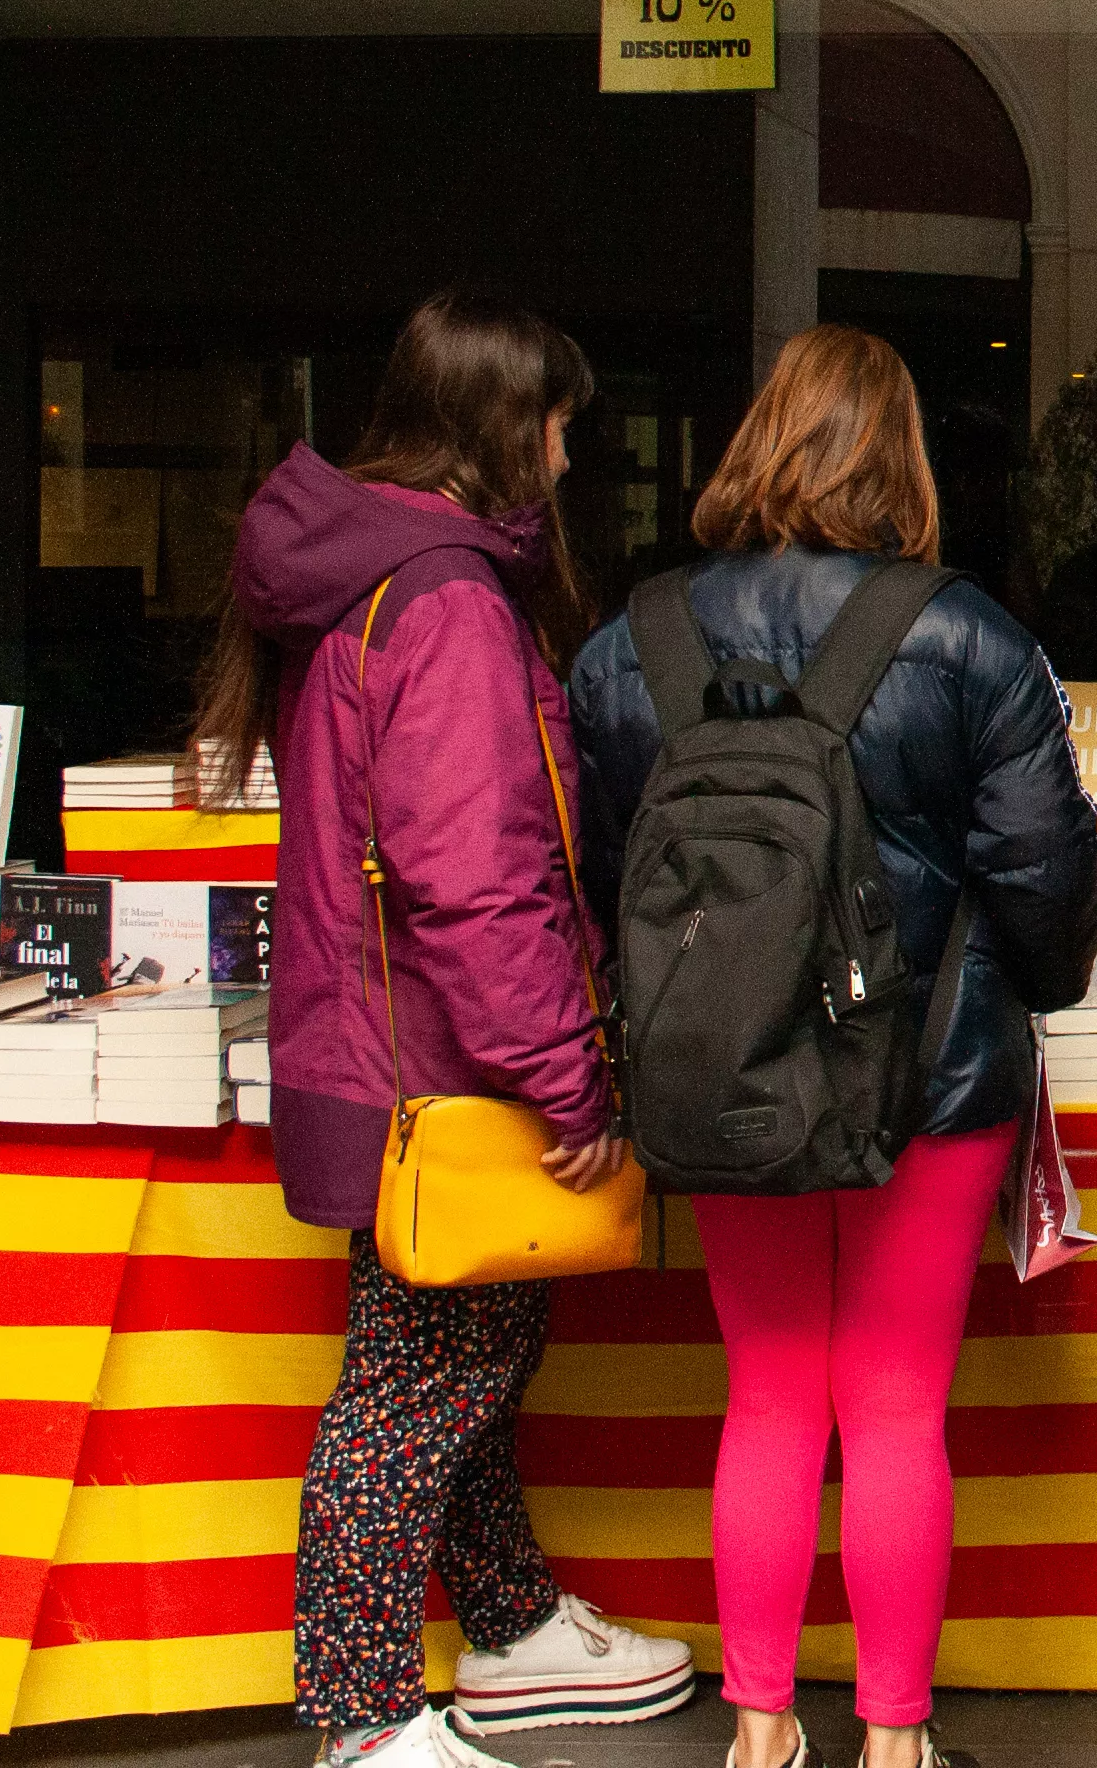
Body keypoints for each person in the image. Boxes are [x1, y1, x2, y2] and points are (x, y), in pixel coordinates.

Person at [570, 326, 1097, 1768]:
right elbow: (1047, 890)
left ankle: (756, 1729)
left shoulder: (635, 645)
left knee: (767, 1393)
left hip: (721, 1073)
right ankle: (892, 1742)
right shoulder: (973, 638)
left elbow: (610, 879)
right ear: (906, 459)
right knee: (891, 1404)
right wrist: (1028, 991)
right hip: (928, 1080)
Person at [201, 290, 695, 1768]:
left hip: (385, 1053)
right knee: (420, 1389)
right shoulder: (452, 603)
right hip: (450, 1072)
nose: (563, 452)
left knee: (459, 1347)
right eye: (552, 422)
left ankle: (512, 1623)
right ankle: (360, 1716)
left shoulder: (367, 578)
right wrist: (569, 1078)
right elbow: (477, 880)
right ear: (497, 429)